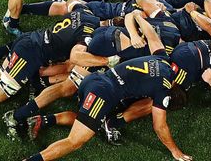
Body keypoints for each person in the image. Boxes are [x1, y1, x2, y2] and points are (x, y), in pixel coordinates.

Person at [21, 13, 193, 161]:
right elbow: (160, 126)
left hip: (94, 80)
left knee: (91, 120)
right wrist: (174, 150)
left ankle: (45, 119)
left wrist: (139, 18)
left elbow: (152, 37)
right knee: (75, 141)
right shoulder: (163, 92)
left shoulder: (163, 60)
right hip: (103, 93)